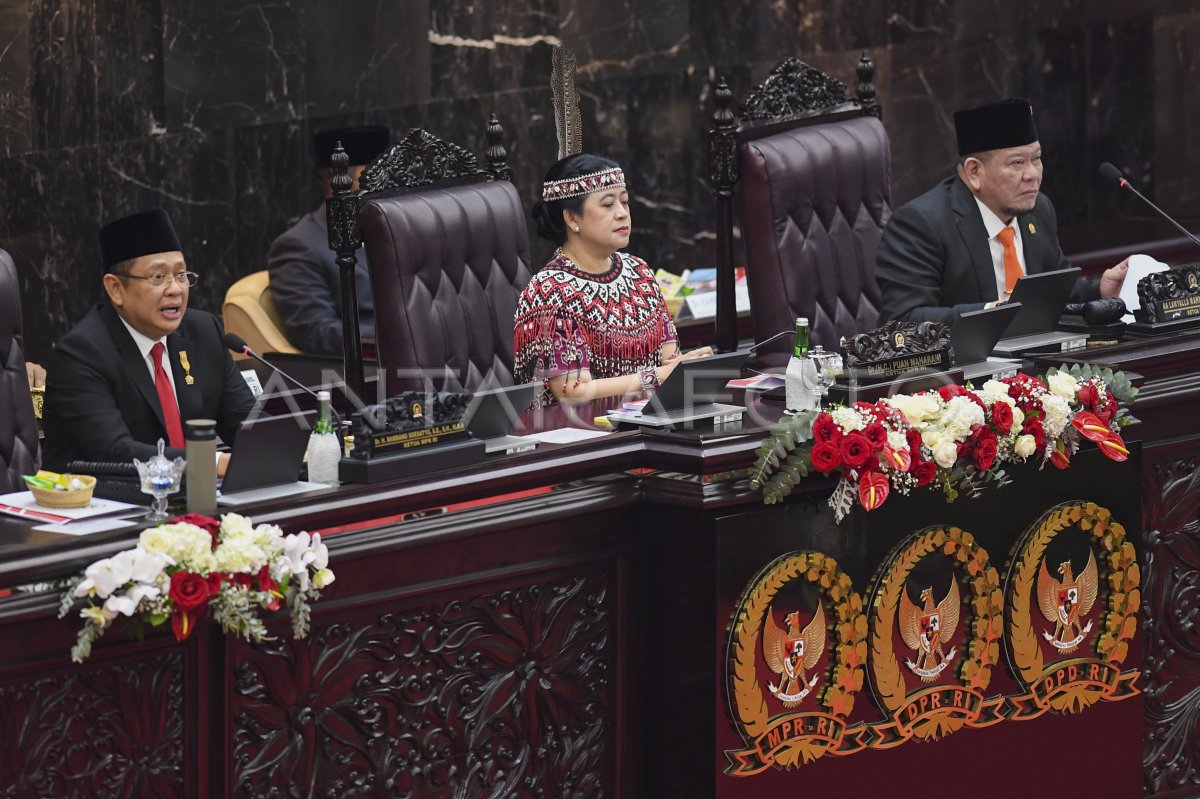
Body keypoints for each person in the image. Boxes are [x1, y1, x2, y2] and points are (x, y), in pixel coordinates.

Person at [875, 98, 1129, 325]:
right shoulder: (922, 224)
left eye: (1037, 159)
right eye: (1017, 163)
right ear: (975, 172)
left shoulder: (1039, 209)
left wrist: (1100, 291)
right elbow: (903, 320)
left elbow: (1056, 290)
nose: (1032, 175)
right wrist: (994, 313)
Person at [42, 210, 256, 474]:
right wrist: (213, 463)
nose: (175, 289)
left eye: (181, 275)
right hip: (106, 505)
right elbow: (115, 452)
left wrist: (283, 445)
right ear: (115, 289)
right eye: (158, 277)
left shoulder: (203, 332)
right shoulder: (81, 354)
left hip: (195, 497)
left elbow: (246, 420)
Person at [513, 153, 712, 404]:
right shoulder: (550, 291)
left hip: (651, 420)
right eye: (608, 204)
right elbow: (573, 391)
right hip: (582, 433)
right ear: (572, 218)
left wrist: (689, 366)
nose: (622, 213)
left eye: (625, 202)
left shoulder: (638, 272)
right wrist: (659, 375)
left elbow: (670, 360)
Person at [267, 125, 390, 356]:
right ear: (334, 183)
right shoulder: (298, 246)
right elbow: (318, 333)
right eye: (370, 181)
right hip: (368, 366)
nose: (380, 191)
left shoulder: (392, 228)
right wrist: (402, 332)